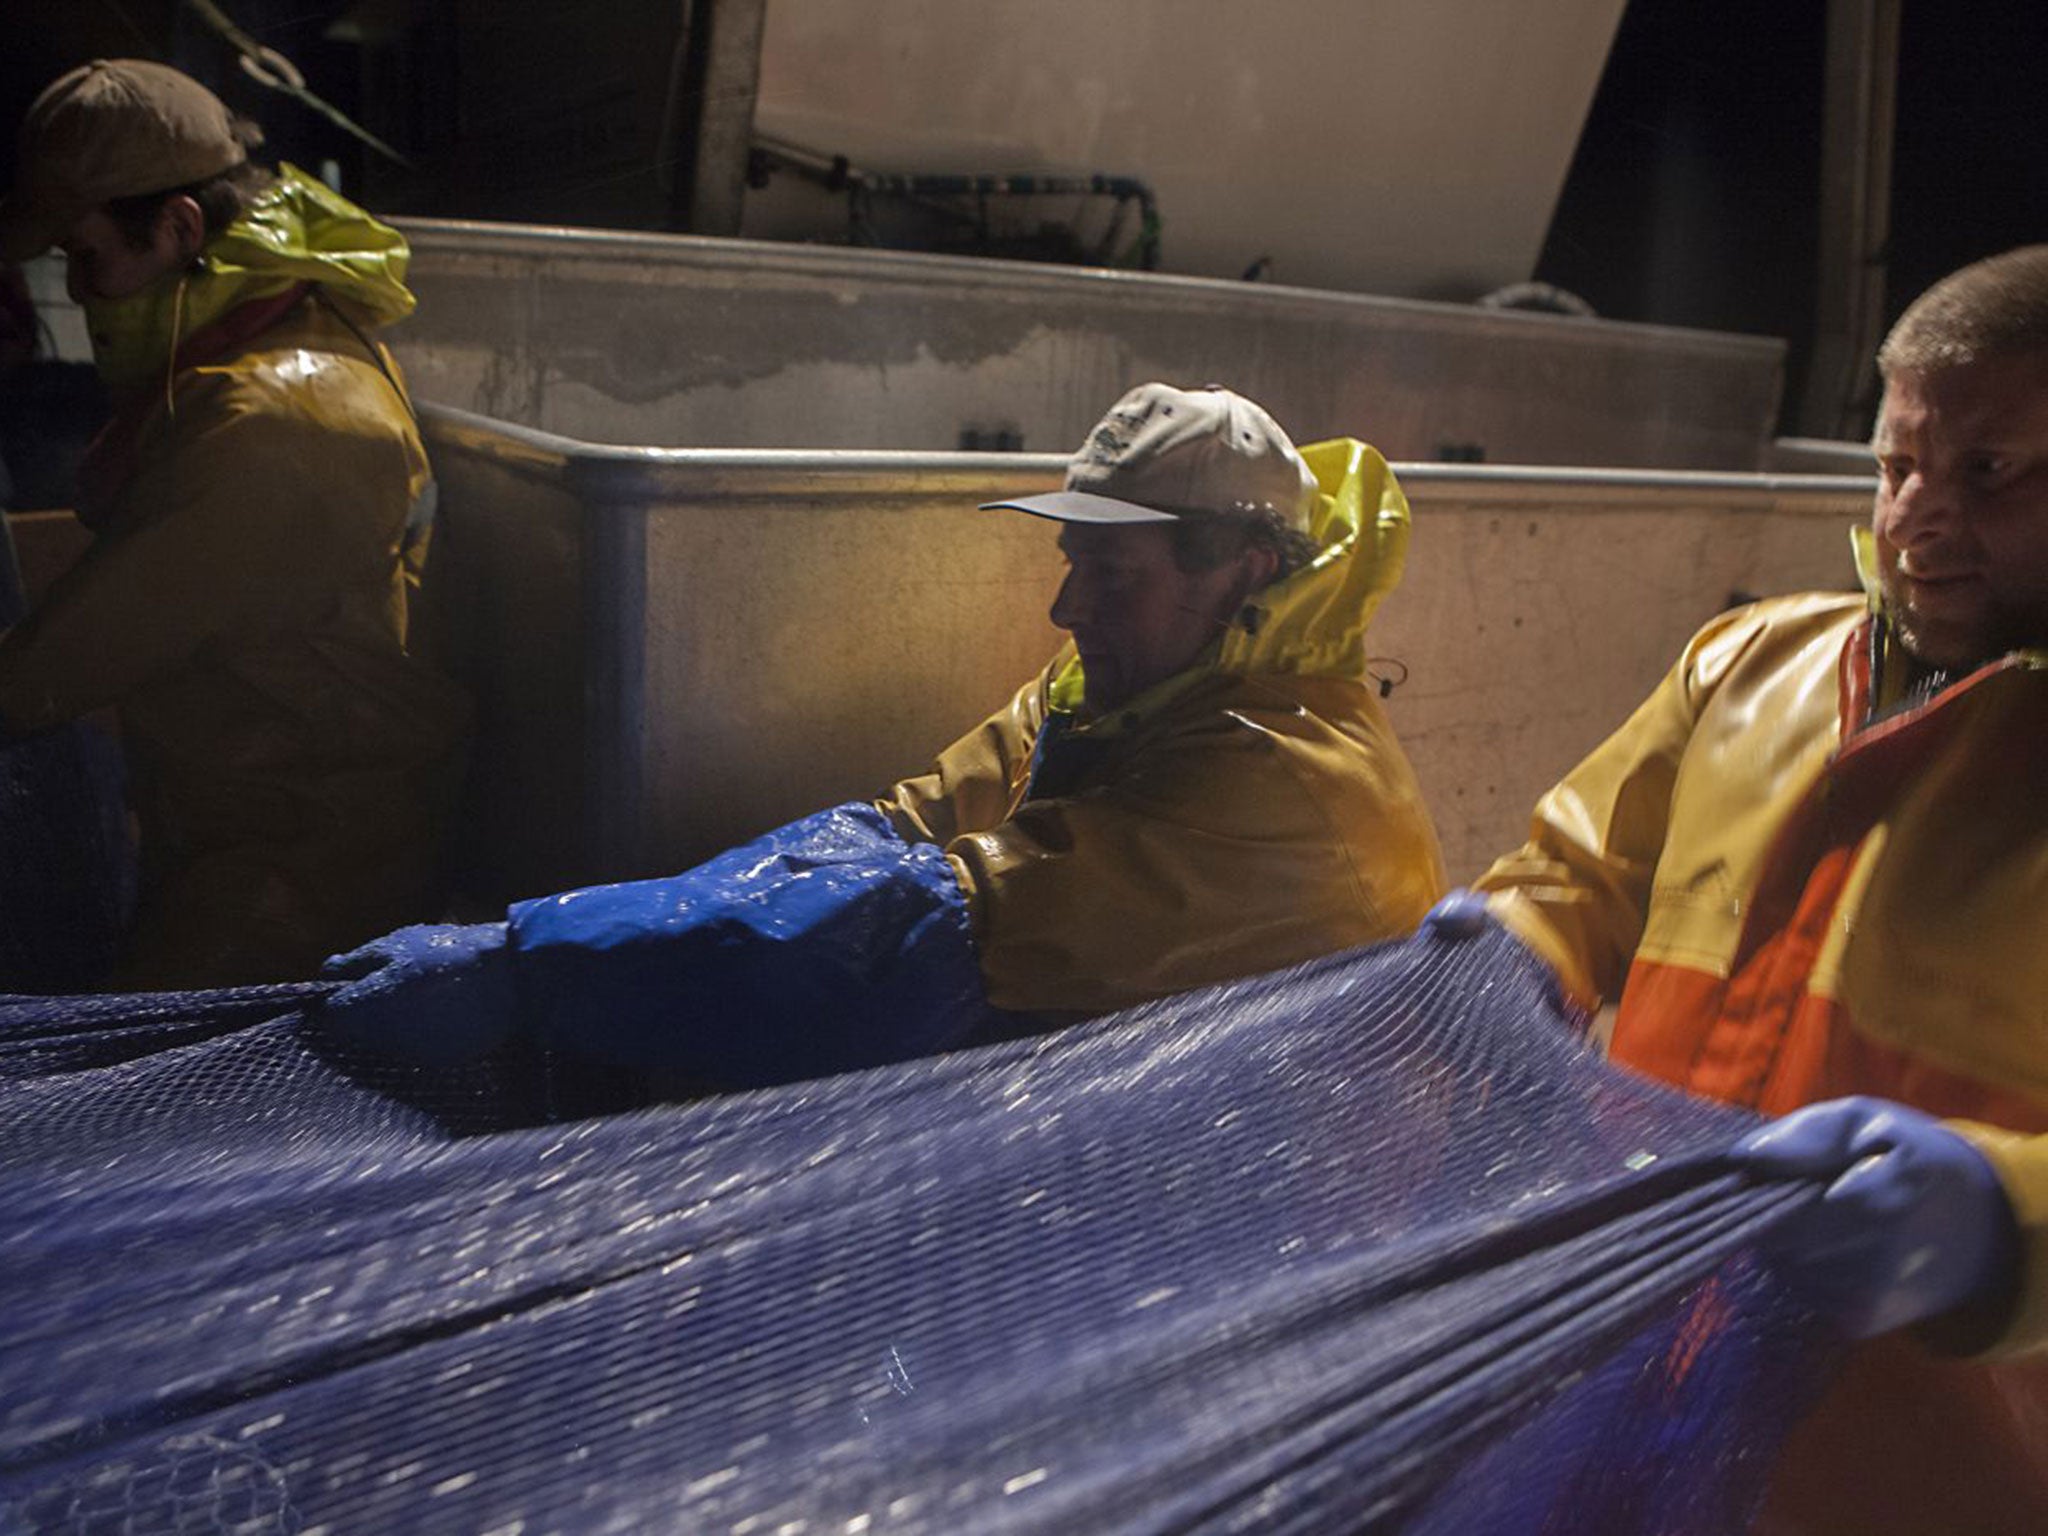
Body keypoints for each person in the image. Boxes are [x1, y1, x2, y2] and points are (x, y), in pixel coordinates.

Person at [321, 382, 1446, 1082]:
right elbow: (900, 828)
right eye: (1071, 562)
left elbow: (922, 927)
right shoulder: (1121, 686)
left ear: (1240, 569)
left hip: (1281, 1205)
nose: (1066, 610)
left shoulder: (1282, 783)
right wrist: (642, 919)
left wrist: (533, 961)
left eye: (1110, 572)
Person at [1444, 246, 2048, 1535]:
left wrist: (2002, 1221)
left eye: (1985, 473)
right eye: (1894, 466)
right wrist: (1502, 951)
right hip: (1641, 1363)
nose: (1913, 519)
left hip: (1935, 1461)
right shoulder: (1748, 662)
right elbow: (1573, 874)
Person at [0, 59, 469, 989]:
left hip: (288, 889)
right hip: (251, 833)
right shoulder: (281, 334)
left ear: (177, 230)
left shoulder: (276, 422)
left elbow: (61, 666)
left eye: (88, 259)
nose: (84, 297)